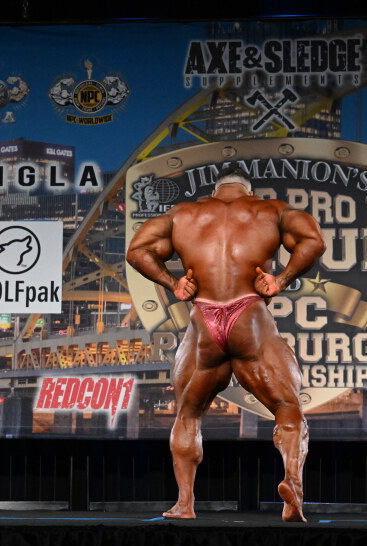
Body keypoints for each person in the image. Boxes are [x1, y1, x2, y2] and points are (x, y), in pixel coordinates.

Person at [126, 166, 326, 522]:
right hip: (248, 312)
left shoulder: (182, 214)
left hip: (204, 318)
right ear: (249, 190)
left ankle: (184, 504)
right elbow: (314, 241)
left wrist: (173, 283)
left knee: (188, 413)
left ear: (215, 190)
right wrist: (280, 280)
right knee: (286, 406)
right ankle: (292, 484)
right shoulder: (272, 210)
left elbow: (137, 250)